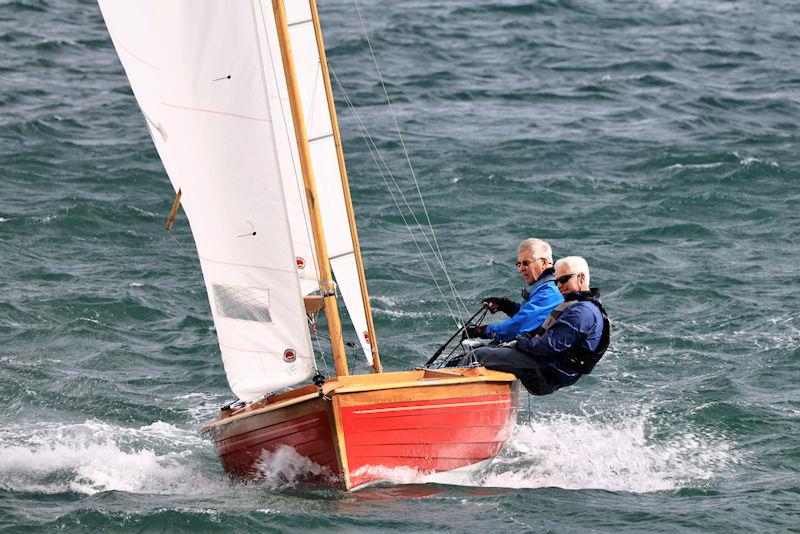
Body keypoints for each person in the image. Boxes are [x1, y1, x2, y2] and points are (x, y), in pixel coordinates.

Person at [464, 256, 611, 395]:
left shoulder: (581, 312)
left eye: (564, 280)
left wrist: (518, 342)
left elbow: (547, 347)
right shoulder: (581, 304)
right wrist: (507, 306)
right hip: (550, 366)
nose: (559, 286)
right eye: (556, 281)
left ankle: (459, 402)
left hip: (549, 373)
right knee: (489, 347)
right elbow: (540, 321)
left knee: (476, 356)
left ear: (581, 277)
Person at [465, 238, 563, 342]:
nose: (521, 269)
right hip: (535, 343)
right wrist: (506, 306)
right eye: (519, 264)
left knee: (478, 355)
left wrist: (483, 331)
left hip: (547, 353)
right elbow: (531, 315)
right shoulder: (543, 283)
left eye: (526, 263)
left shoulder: (551, 291)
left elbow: (520, 325)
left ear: (543, 262)